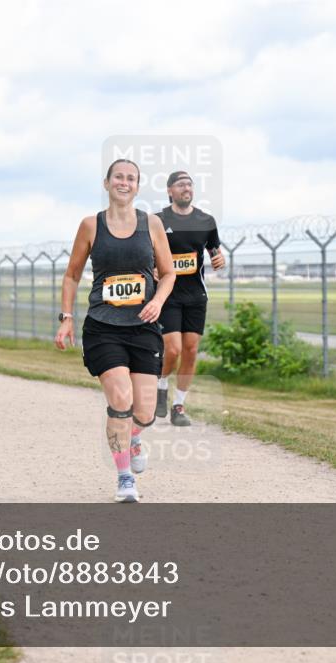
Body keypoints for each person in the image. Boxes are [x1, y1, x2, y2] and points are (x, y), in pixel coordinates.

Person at [54, 159, 175, 502]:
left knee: (145, 412)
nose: (124, 182)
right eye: (118, 177)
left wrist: (158, 301)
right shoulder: (91, 225)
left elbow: (167, 274)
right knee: (121, 400)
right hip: (104, 327)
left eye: (131, 178)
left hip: (144, 326)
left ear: (137, 186)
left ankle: (134, 436)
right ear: (106, 184)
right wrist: (66, 317)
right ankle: (125, 478)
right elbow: (72, 274)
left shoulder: (151, 224)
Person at [154, 171, 226, 426]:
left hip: (196, 295)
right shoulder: (158, 220)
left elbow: (214, 250)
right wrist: (152, 267)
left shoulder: (205, 220)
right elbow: (145, 251)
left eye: (189, 184)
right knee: (172, 349)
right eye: (180, 184)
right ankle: (161, 386)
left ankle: (178, 406)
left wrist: (220, 258)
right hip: (168, 294)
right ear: (170, 191)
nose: (186, 188)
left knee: (191, 350)